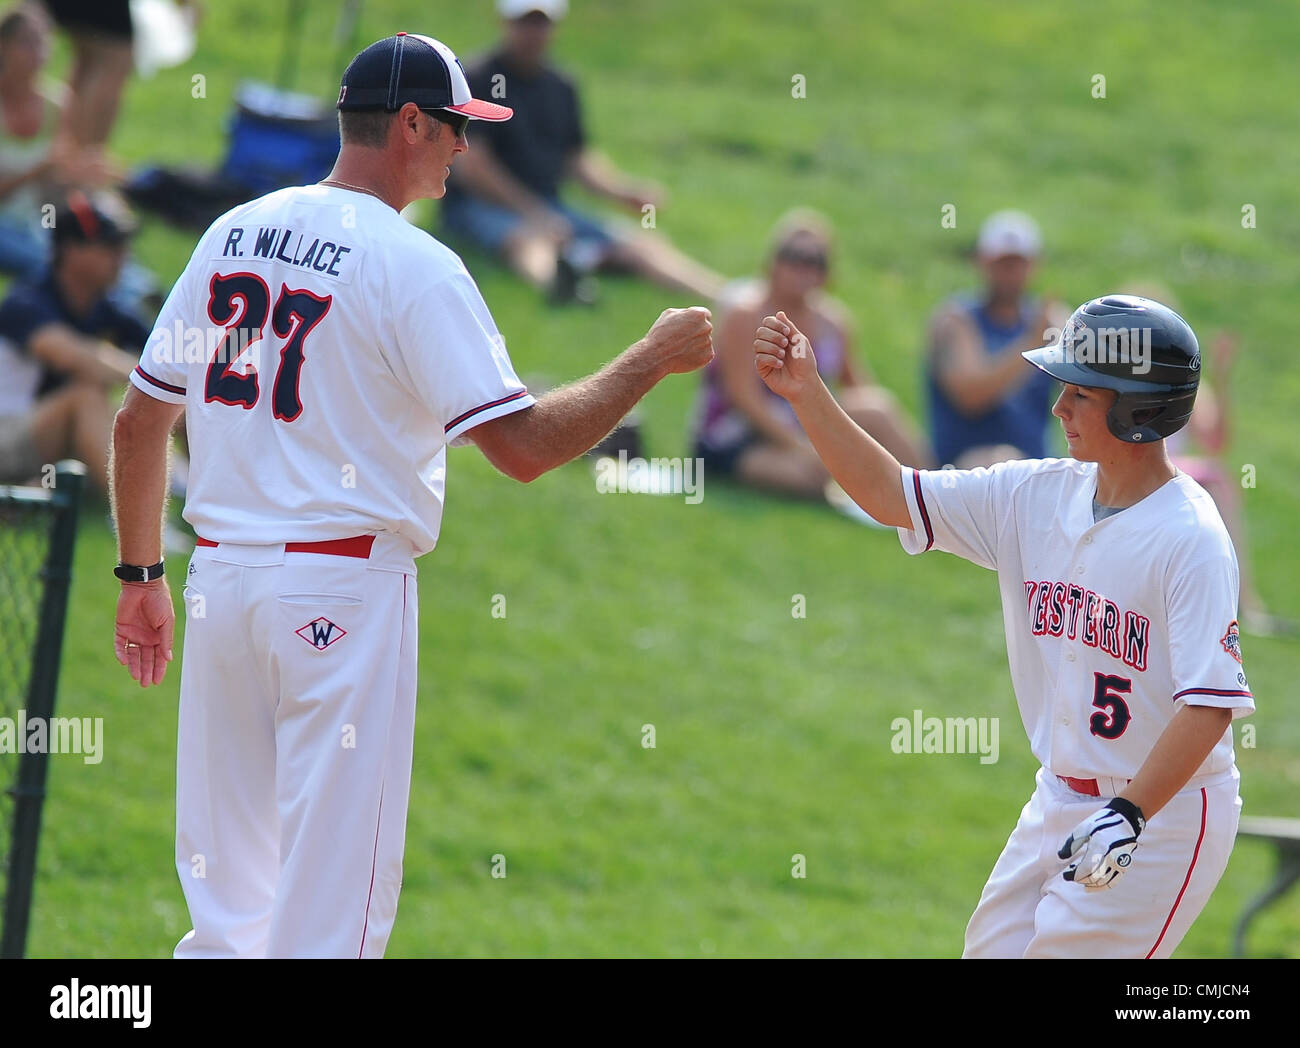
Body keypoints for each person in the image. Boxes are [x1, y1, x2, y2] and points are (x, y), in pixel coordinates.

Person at [109, 31, 713, 959]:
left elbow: (140, 422)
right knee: (329, 920)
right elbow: (520, 448)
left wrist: (140, 572)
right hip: (341, 599)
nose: (465, 148)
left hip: (219, 588)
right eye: (456, 128)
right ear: (411, 123)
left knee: (227, 919)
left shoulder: (235, 230)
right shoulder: (415, 265)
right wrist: (650, 359)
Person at [755, 294, 1254, 957]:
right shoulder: (1034, 495)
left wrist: (1130, 813)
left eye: (1080, 392)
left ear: (1138, 410)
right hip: (1057, 797)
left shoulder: (1189, 536)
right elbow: (890, 494)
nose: (1058, 408)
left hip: (1161, 815)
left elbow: (1209, 707)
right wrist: (807, 392)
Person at [439, 0, 725, 303]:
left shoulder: (561, 85)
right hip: (478, 204)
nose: (534, 32)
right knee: (528, 240)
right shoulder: (475, 77)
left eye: (541, 23)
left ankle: (727, 296)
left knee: (642, 243)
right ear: (505, 22)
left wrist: (623, 192)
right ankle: (563, 287)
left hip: (549, 204)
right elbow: (472, 167)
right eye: (525, 22)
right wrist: (533, 212)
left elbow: (576, 159)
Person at [693, 209, 930, 501]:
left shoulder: (834, 322)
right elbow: (743, 397)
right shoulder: (746, 314)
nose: (804, 269)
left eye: (815, 261)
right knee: (809, 478)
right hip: (739, 435)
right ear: (773, 262)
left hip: (801, 423)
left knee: (878, 408)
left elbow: (857, 388)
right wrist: (800, 446)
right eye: (794, 257)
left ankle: (932, 493)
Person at [0, 189, 144, 491]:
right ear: (71, 250)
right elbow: (70, 356)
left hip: (42, 440)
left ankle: (206, 498)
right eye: (110, 246)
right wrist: (159, 379)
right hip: (7, 433)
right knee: (86, 394)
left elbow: (169, 357)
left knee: (176, 398)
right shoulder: (27, 300)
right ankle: (131, 512)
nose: (122, 257)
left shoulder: (107, 306)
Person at [926, 210, 1066, 467]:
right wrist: (1032, 345)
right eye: (1002, 264)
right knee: (1002, 463)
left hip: (1035, 464)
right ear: (982, 263)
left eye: (1017, 264)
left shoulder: (1051, 321)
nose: (1010, 273)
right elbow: (970, 397)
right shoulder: (956, 322)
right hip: (964, 465)